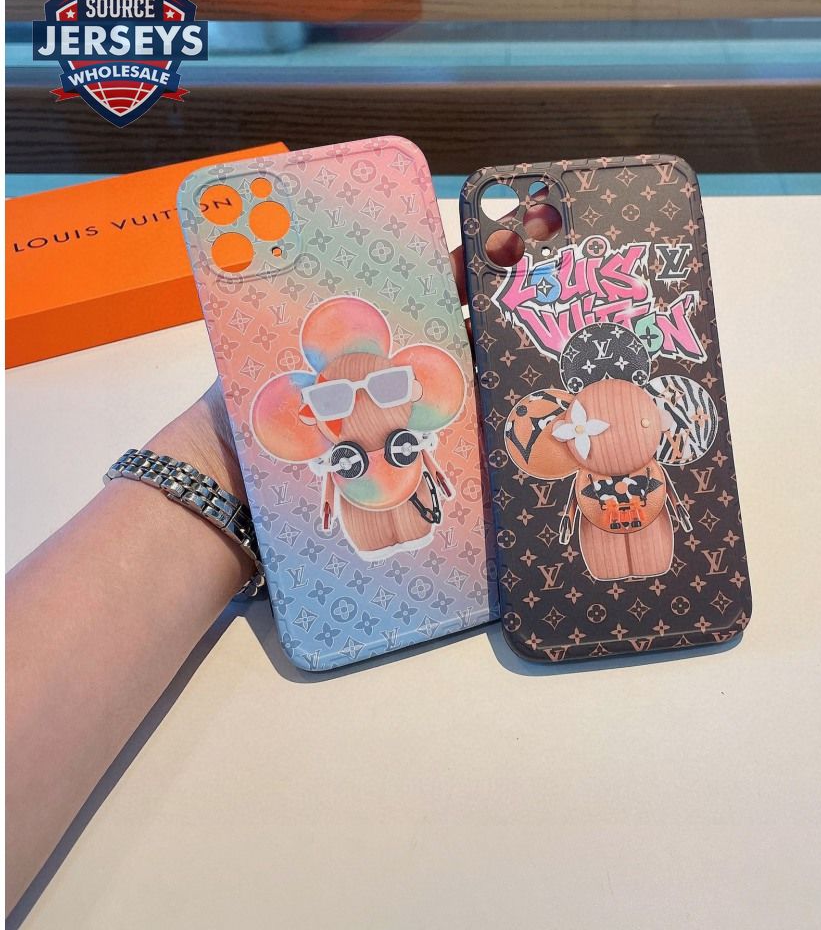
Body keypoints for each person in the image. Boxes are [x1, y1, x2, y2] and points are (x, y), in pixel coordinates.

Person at [5, 205, 553, 913]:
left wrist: (218, 461)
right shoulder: (323, 441)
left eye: (392, 388)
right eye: (333, 401)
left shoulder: (394, 424)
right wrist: (227, 455)